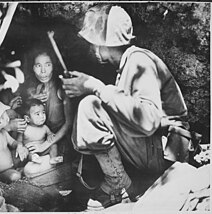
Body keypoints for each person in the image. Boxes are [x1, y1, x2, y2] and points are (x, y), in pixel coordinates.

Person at [60, 4, 189, 210]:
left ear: (107, 43)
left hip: (165, 154)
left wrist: (95, 87)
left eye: (95, 43)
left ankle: (120, 186)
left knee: (91, 106)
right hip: (153, 148)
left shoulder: (139, 60)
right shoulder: (127, 63)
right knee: (96, 103)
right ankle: (122, 183)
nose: (93, 49)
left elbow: (148, 120)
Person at [22, 47, 74, 175]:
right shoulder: (34, 87)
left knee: (29, 171)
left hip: (58, 141)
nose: (43, 71)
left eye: (48, 65)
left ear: (53, 66)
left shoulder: (62, 88)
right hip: (41, 138)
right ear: (32, 68)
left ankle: (54, 162)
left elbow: (69, 123)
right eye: (38, 66)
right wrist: (32, 99)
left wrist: (44, 145)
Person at [18, 98, 63, 165]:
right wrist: (21, 147)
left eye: (43, 112)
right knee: (26, 152)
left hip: (43, 149)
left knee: (53, 145)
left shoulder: (45, 127)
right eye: (37, 114)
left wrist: (50, 135)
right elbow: (19, 141)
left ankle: (53, 158)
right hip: (31, 151)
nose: (42, 116)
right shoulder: (24, 129)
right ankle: (34, 158)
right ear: (27, 118)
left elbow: (50, 134)